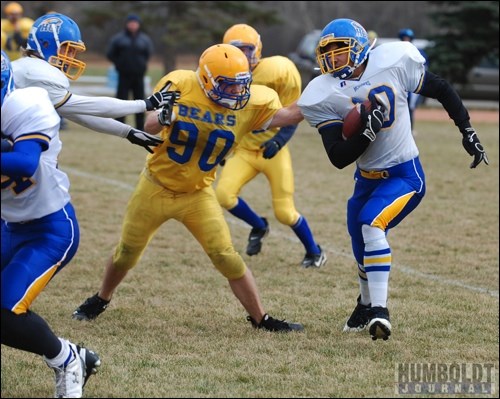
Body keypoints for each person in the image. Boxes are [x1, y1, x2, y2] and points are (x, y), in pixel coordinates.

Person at [72, 43, 305, 333]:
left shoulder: (251, 103)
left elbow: (291, 115)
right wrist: (164, 116)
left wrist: (327, 93)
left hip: (197, 193)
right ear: (206, 79)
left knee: (225, 255)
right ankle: (101, 298)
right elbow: (150, 125)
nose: (236, 93)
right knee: (127, 253)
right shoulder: (181, 83)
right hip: (155, 186)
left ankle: (261, 319)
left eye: (240, 85)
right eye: (228, 86)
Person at [297, 18, 488, 341]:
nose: (332, 60)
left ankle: (380, 313)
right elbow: (338, 157)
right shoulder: (321, 92)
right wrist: (367, 132)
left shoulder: (394, 61)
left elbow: (440, 88)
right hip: (365, 178)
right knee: (360, 247)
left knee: (372, 225)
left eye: (339, 52)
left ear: (358, 49)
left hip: (404, 173)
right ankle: (364, 302)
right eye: (327, 54)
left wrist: (466, 129)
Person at [1, 50, 101, 398]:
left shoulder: (26, 104)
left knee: (7, 311)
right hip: (7, 225)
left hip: (49, 229)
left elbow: (25, 163)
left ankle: (67, 358)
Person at [215, 24, 326, 268]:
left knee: (285, 212)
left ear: (257, 48)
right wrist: (222, 147)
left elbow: (294, 111)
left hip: (271, 150)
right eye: (238, 50)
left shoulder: (279, 70)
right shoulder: (222, 72)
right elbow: (222, 116)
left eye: (247, 49)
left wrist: (278, 140)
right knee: (223, 195)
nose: (244, 55)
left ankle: (315, 251)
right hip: (244, 150)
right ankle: (258, 225)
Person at [12, 13, 178, 154]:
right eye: (67, 49)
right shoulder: (36, 73)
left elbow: (79, 113)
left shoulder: (29, 67)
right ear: (46, 44)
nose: (71, 57)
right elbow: (91, 106)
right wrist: (145, 104)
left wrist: (127, 131)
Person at [107, 14, 155, 130]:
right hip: (124, 75)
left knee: (140, 101)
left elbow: (148, 54)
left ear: (138, 25)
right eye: (131, 23)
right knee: (121, 101)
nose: (133, 25)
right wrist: (120, 64)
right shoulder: (118, 39)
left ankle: (140, 126)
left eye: (135, 23)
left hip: (139, 76)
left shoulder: (144, 40)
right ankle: (118, 125)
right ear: (127, 24)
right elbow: (110, 54)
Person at [398, 28, 429, 135]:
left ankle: (410, 128)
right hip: (401, 82)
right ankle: (400, 129)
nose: (406, 40)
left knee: (411, 106)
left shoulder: (418, 51)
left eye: (408, 38)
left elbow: (424, 68)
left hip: (413, 82)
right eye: (404, 38)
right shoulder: (397, 51)